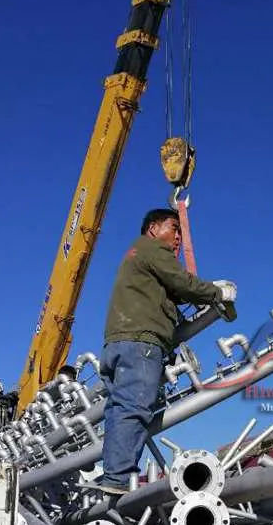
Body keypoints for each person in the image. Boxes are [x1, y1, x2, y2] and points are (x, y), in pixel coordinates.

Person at [94, 207, 236, 495]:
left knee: (118, 411)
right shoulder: (153, 249)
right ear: (153, 229)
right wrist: (218, 292)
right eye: (174, 229)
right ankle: (118, 479)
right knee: (134, 408)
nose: (177, 239)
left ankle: (113, 476)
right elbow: (181, 282)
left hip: (118, 342)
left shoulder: (136, 256)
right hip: (141, 343)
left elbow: (173, 290)